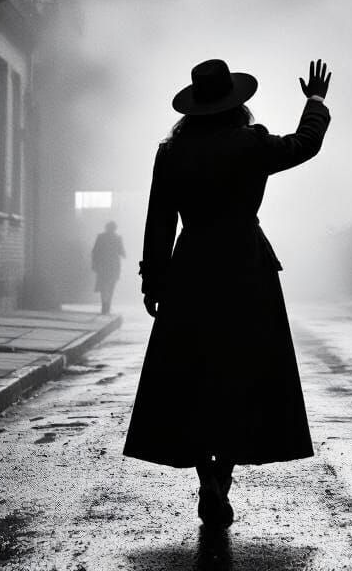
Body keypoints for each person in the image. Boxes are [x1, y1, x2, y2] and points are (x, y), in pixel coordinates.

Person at [124, 58, 332, 527]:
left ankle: (206, 480)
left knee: (195, 377)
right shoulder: (250, 144)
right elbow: (305, 144)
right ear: (236, 105)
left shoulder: (171, 153)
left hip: (191, 269)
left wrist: (153, 280)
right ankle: (224, 478)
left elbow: (159, 222)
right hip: (245, 270)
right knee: (243, 375)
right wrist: (315, 101)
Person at [91, 220, 125, 315]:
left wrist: (94, 264)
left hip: (102, 265)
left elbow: (95, 251)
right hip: (113, 266)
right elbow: (122, 252)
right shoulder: (117, 238)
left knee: (103, 286)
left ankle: (104, 305)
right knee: (111, 286)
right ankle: (107, 305)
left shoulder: (101, 237)